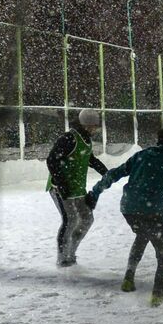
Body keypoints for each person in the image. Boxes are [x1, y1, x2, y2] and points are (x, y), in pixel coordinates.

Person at [84, 125, 163, 307]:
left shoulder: (141, 156)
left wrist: (94, 193)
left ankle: (128, 278)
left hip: (128, 209)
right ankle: (157, 295)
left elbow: (114, 174)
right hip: (151, 213)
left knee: (142, 235)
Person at [46, 108, 108, 267]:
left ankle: (71, 253)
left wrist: (107, 173)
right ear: (87, 124)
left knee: (87, 219)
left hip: (77, 188)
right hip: (61, 188)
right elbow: (52, 160)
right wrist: (61, 184)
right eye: (94, 125)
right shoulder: (69, 138)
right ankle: (62, 259)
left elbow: (90, 159)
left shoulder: (86, 139)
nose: (96, 128)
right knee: (70, 220)